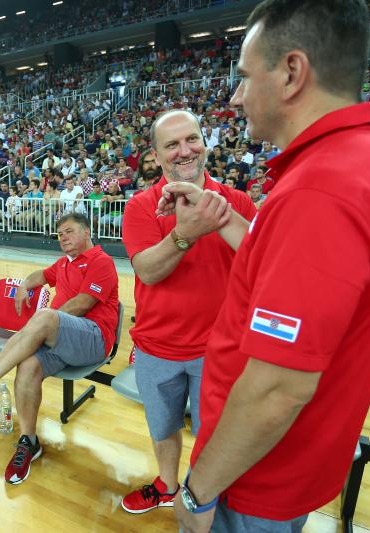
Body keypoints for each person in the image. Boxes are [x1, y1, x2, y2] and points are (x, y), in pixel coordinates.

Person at [160, 2, 370, 531]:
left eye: (244, 77)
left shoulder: (319, 190)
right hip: (293, 461)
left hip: (251, 478)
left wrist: (197, 494)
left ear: (292, 72)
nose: (236, 97)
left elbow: (277, 389)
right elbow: (279, 259)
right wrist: (217, 212)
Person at [120, 110, 256, 515]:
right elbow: (148, 270)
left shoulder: (237, 202)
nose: (184, 151)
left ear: (205, 142)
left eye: (191, 139)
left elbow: (263, 263)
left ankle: (202, 497)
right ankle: (167, 485)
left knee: (215, 436)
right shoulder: (142, 206)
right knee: (162, 427)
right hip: (156, 345)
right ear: (156, 155)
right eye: (172, 144)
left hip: (220, 350)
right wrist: (186, 233)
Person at [0, 213, 119, 485]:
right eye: (59, 234)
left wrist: (42, 325)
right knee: (28, 364)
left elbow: (82, 304)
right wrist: (24, 285)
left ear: (87, 231)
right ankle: (29, 441)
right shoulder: (64, 263)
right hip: (61, 337)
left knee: (44, 317)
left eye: (69, 231)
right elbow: (40, 275)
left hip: (94, 339)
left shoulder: (101, 261)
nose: (63, 238)